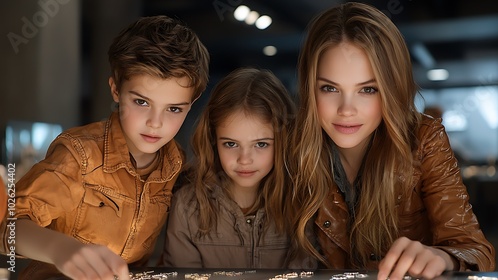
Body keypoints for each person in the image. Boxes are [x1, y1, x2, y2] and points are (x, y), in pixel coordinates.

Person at [288, 2, 495, 280]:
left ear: (392, 89)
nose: (346, 109)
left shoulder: (424, 139)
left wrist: (441, 257)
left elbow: (475, 250)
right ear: (308, 89)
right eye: (329, 88)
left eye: (368, 89)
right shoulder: (290, 145)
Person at [0, 15, 209, 280]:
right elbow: (9, 229)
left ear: (192, 104)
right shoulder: (80, 155)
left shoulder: (175, 162)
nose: (156, 123)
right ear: (116, 90)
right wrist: (61, 249)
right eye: (142, 102)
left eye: (174, 109)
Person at [160, 67, 304, 269]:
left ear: (283, 142)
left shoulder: (302, 204)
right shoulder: (188, 207)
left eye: (261, 144)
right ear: (213, 141)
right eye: (231, 144)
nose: (244, 159)